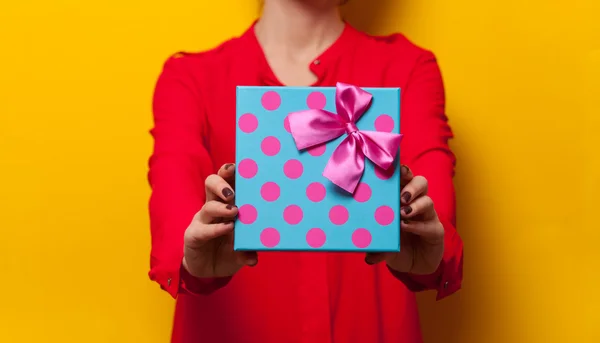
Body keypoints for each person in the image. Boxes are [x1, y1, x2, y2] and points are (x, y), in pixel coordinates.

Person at [147, 0, 464, 342]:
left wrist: (431, 244)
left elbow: (437, 212)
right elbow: (173, 218)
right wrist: (191, 257)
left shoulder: (410, 68)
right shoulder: (189, 79)